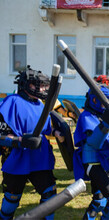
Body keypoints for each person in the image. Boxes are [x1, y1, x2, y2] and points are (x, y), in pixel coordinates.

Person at [0, 66, 64, 220]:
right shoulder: (11, 102)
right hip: (17, 160)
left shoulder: (41, 105)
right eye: (39, 85)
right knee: (11, 201)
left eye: (44, 86)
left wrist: (57, 133)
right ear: (26, 84)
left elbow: (45, 128)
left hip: (39, 159)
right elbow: (1, 135)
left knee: (50, 198)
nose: (42, 89)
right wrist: (19, 140)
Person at [73, 84, 109, 220]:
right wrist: (107, 122)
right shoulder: (87, 116)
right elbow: (95, 142)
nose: (108, 104)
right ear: (94, 100)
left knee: (99, 200)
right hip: (92, 163)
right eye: (106, 100)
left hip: (103, 163)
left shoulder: (107, 116)